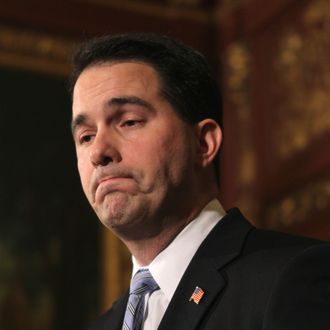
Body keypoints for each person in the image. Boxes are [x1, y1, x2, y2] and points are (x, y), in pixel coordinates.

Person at [69, 33, 330, 330]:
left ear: (203, 143)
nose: (98, 152)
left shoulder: (292, 278)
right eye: (86, 136)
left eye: (129, 121)